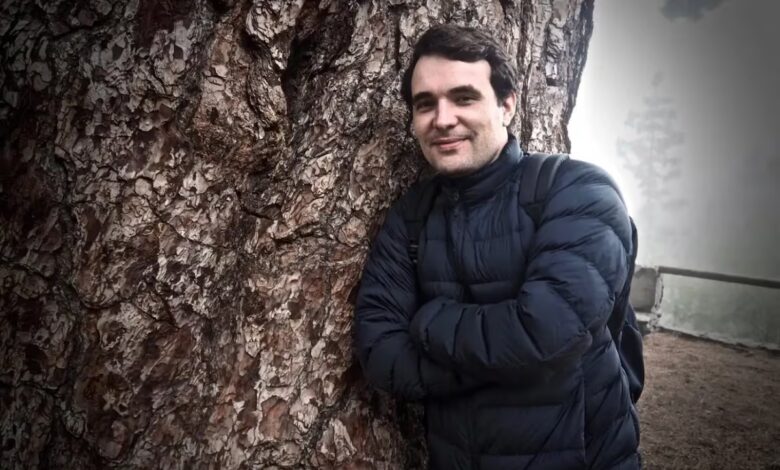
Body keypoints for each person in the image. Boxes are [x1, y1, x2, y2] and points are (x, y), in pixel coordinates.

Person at [354, 24, 640, 469]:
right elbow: (381, 352)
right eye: (425, 104)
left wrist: (430, 320)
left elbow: (546, 333)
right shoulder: (411, 217)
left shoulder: (577, 190)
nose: (442, 119)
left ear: (507, 105)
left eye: (464, 97)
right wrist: (509, 361)